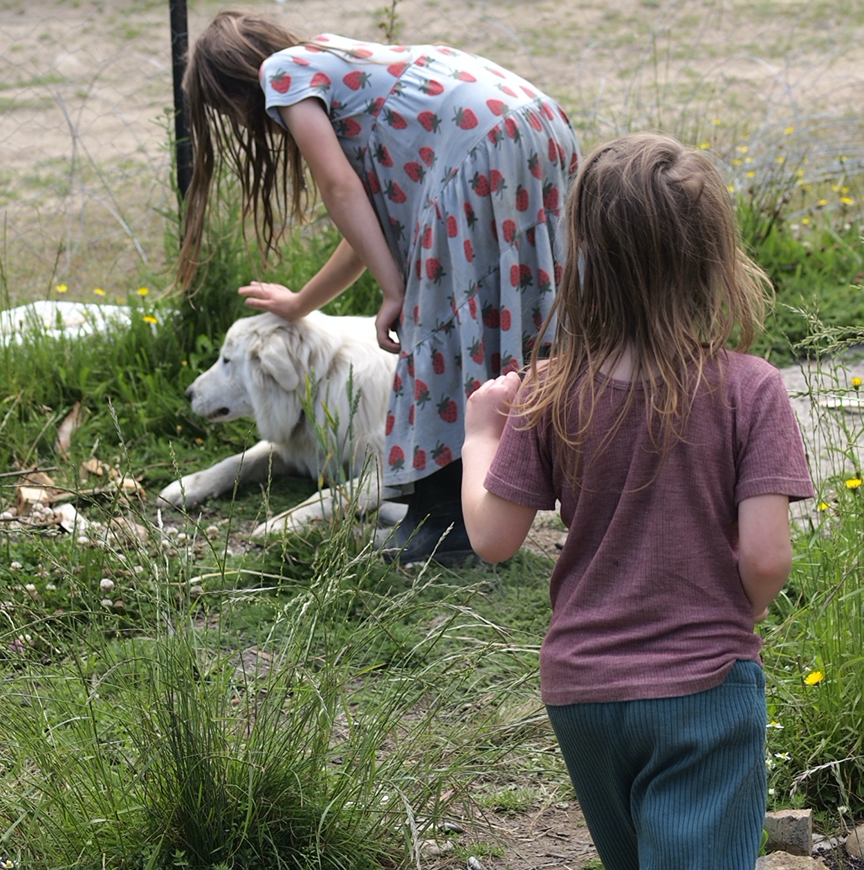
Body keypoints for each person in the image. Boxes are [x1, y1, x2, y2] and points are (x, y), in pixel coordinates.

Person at [461, 133, 814, 870]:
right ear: (712, 256)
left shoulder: (552, 390)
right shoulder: (751, 390)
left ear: (584, 254)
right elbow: (767, 556)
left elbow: (493, 538)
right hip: (704, 689)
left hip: (582, 695)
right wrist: (734, 614)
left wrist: (480, 433)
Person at [178, 10, 580, 565]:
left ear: (233, 88)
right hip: (532, 120)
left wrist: (397, 293)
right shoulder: (340, 68)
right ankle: (585, 486)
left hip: (478, 144)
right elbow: (364, 231)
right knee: (527, 312)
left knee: (434, 328)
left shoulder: (282, 74)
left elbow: (340, 189)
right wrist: (299, 303)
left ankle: (441, 524)